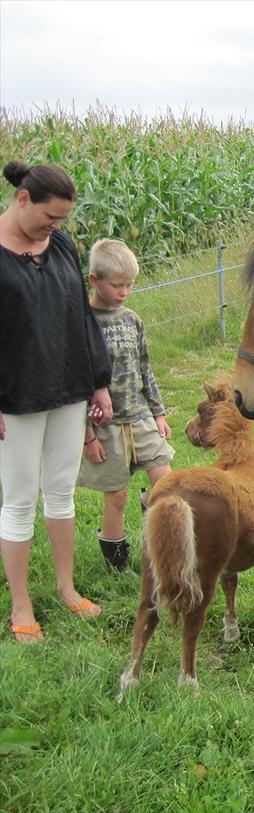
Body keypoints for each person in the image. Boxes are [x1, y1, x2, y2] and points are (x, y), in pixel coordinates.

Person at [0, 160, 113, 643]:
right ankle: (21, 604)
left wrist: (98, 381)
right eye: (50, 217)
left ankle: (67, 589)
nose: (56, 227)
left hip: (68, 387)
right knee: (20, 500)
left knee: (62, 492)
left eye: (63, 220)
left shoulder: (61, 245)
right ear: (23, 199)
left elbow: (80, 319)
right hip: (15, 397)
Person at [77, 238, 174, 572]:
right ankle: (118, 566)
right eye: (117, 285)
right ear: (94, 281)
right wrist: (87, 437)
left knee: (166, 482)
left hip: (140, 418)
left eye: (130, 285)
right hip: (106, 426)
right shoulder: (83, 323)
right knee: (115, 495)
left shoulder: (132, 319)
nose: (124, 292)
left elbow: (145, 368)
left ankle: (155, 538)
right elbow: (76, 384)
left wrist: (158, 413)